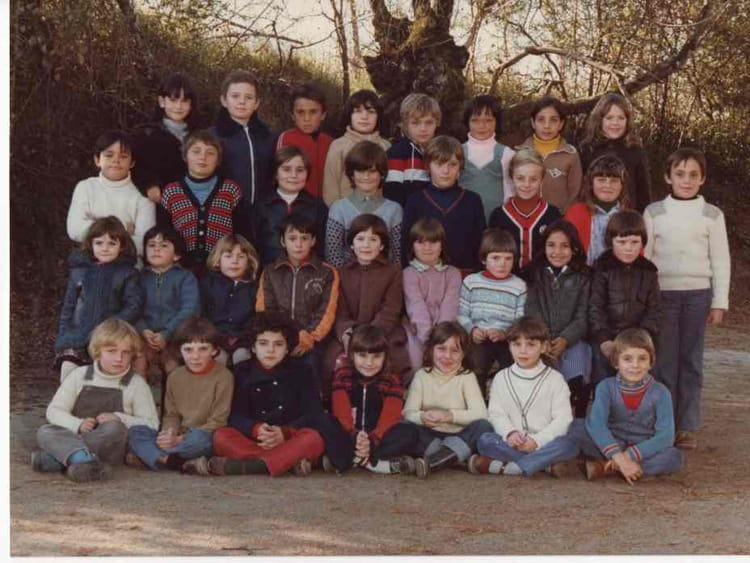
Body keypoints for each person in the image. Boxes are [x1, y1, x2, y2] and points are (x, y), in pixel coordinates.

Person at [644, 148, 731, 450]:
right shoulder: (654, 212)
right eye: (680, 174)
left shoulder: (712, 215)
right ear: (668, 177)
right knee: (664, 361)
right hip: (663, 295)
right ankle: (664, 424)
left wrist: (719, 301)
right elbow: (645, 259)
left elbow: (721, 260)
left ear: (703, 179)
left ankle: (687, 426)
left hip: (697, 295)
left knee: (691, 361)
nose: (687, 180)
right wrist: (645, 298)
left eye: (694, 175)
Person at [209, 312, 354, 476]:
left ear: (287, 349)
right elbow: (234, 416)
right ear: (253, 348)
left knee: (313, 438)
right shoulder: (241, 372)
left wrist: (284, 433)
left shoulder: (302, 371)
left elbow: (314, 414)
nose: (270, 350)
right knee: (221, 436)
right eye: (263, 344)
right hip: (254, 440)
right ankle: (285, 462)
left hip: (291, 437)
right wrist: (255, 429)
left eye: (278, 344)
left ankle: (253, 466)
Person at [32, 319, 158, 482]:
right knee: (45, 431)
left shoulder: (136, 384)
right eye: (111, 351)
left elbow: (152, 424)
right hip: (77, 433)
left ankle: (61, 457)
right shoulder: (79, 375)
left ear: (132, 355)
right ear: (98, 351)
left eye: (126, 352)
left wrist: (120, 418)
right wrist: (77, 424)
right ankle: (83, 461)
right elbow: (54, 411)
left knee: (115, 428)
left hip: (110, 446)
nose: (119, 358)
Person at [469, 316, 580, 477]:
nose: (522, 351)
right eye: (517, 344)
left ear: (544, 347)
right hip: (512, 444)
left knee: (570, 444)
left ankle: (510, 467)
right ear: (509, 346)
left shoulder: (555, 379)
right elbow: (496, 414)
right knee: (485, 440)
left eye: (530, 345)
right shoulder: (501, 378)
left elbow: (563, 419)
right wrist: (510, 433)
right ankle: (542, 466)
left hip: (545, 443)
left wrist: (536, 441)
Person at [383, 322, 492, 479]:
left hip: (459, 435)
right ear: (431, 349)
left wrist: (450, 416)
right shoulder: (422, 375)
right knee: (405, 428)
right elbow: (408, 413)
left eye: (455, 351)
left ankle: (433, 462)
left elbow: (481, 413)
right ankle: (454, 457)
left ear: (463, 354)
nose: (447, 356)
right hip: (429, 437)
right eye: (441, 348)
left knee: (484, 426)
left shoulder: (466, 377)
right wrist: (422, 417)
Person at [127, 317, 233, 473]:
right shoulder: (175, 376)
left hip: (204, 435)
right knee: (137, 431)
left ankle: (152, 456)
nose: (195, 356)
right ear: (179, 351)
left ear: (214, 351)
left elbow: (218, 421)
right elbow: (171, 414)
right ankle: (170, 460)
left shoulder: (224, 376)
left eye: (203, 349)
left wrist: (179, 440)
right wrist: (167, 435)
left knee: (201, 440)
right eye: (188, 350)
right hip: (178, 436)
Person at [581, 328, 684, 482]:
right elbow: (597, 425)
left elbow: (665, 436)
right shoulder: (605, 387)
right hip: (612, 441)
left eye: (642, 359)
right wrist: (618, 455)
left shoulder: (661, 393)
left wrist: (629, 455)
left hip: (643, 448)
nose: (635, 365)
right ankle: (626, 467)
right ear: (616, 362)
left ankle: (605, 468)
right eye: (627, 359)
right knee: (577, 429)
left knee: (674, 457)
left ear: (651, 363)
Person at [324, 214, 410, 395]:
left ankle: (392, 398)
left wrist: (372, 335)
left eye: (373, 239)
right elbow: (340, 312)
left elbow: (391, 309)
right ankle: (337, 400)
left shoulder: (393, 271)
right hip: (351, 333)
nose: (366, 245)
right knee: (330, 359)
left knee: (396, 359)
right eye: (360, 238)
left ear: (382, 245)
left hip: (384, 331)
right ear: (351, 244)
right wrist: (348, 333)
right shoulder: (341, 272)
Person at [255, 213, 339, 391]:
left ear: (313, 241)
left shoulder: (327, 272)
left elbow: (326, 311)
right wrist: (284, 337)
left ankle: (314, 403)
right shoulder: (270, 271)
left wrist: (309, 337)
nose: (299, 244)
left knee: (310, 365)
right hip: (278, 337)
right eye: (292, 238)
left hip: (313, 340)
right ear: (283, 241)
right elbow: (265, 310)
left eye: (304, 238)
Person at [54, 216, 143, 381]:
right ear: (91, 244)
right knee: (68, 370)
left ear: (122, 246)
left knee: (101, 378)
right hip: (78, 337)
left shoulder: (127, 274)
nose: (105, 248)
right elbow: (68, 306)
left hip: (110, 339)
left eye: (112, 243)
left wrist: (110, 327)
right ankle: (68, 398)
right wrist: (64, 332)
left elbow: (133, 306)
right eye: (99, 243)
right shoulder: (79, 272)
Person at [524, 219, 592, 418]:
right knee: (545, 380)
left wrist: (565, 339)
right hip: (542, 340)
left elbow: (583, 316)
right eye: (551, 245)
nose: (557, 252)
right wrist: (543, 338)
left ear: (574, 248)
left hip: (572, 339)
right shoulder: (533, 275)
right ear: (543, 247)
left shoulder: (584, 277)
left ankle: (577, 416)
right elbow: (532, 309)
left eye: (564, 246)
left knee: (578, 370)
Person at [589, 210, 660, 385]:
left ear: (643, 242)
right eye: (621, 242)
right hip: (608, 339)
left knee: (638, 380)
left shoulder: (649, 271)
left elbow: (654, 310)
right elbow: (595, 307)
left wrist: (642, 338)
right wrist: (604, 339)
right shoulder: (602, 268)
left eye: (635, 242)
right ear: (610, 241)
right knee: (604, 381)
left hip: (638, 340)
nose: (628, 248)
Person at [159, 129, 245, 272]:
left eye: (210, 153)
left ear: (218, 160)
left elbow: (241, 233)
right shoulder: (171, 192)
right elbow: (164, 233)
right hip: (181, 269)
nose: (203, 157)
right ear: (185, 156)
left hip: (222, 268)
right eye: (196, 151)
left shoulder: (230, 190)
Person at [402, 135, 486, 272]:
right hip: (424, 275)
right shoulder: (415, 200)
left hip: (465, 275)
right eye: (439, 164)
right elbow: (406, 244)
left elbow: (481, 245)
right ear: (428, 166)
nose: (446, 171)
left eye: (452, 164)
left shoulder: (472, 200)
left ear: (460, 167)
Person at [329, 324, 407, 473]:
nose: (369, 363)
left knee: (408, 431)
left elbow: (390, 417)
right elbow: (341, 413)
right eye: (362, 355)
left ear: (385, 357)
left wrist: (372, 441)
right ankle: (375, 463)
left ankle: (359, 460)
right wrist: (355, 436)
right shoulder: (343, 376)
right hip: (350, 435)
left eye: (376, 356)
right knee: (328, 423)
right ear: (352, 355)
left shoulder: (392, 381)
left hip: (379, 438)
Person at [66, 130, 156, 256]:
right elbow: (74, 230)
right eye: (109, 155)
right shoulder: (86, 187)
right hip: (88, 260)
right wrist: (124, 231)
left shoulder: (142, 196)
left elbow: (144, 244)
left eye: (123, 156)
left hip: (128, 264)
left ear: (132, 162)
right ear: (97, 160)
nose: (116, 160)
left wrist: (94, 227)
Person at [458, 228, 527, 393]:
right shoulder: (471, 282)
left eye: (508, 258)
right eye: (496, 258)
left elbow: (520, 318)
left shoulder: (518, 286)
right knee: (476, 368)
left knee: (511, 369)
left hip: (506, 339)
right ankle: (478, 402)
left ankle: (503, 400)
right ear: (484, 259)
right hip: (478, 338)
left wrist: (505, 333)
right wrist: (472, 330)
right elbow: (461, 313)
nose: (502, 264)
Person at [134, 226, 200, 379]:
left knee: (172, 365)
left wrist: (166, 334)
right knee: (138, 361)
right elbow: (133, 307)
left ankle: (174, 394)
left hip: (176, 337)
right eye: (151, 245)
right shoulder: (138, 278)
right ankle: (139, 394)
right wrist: (143, 330)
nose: (156, 249)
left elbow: (190, 309)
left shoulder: (185, 277)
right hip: (145, 336)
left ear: (176, 255)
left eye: (163, 245)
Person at [325, 141, 403, 268]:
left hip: (385, 276)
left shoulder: (394, 210)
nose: (366, 177)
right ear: (352, 174)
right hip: (347, 276)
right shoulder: (339, 208)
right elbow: (333, 256)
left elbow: (397, 256)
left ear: (382, 174)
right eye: (360, 171)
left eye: (372, 171)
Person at [402, 218, 461, 378]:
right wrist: (428, 338)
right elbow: (416, 306)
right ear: (412, 246)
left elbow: (450, 306)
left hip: (447, 328)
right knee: (416, 362)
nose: (427, 248)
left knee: (450, 358)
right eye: (421, 242)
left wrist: (441, 337)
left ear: (442, 245)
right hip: (417, 330)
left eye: (433, 242)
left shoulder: (453, 273)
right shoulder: (409, 273)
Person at [212, 69, 276, 215]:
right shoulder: (212, 137)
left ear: (256, 103)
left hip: (262, 214)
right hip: (224, 214)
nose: (242, 102)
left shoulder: (268, 136)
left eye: (248, 97)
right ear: (224, 100)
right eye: (235, 96)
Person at [251, 145, 328, 266]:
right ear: (276, 173)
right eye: (286, 169)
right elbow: (253, 247)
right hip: (270, 271)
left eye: (300, 170)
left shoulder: (317, 207)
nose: (293, 175)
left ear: (307, 173)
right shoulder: (261, 206)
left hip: (308, 272)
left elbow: (322, 248)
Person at [131, 72, 200, 203]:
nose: (178, 106)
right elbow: (135, 167)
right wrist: (150, 184)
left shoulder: (200, 136)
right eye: (173, 100)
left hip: (194, 204)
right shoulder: (145, 135)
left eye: (184, 101)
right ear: (162, 101)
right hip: (157, 204)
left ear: (191, 104)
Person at [489, 148, 561, 269]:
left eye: (533, 179)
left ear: (542, 180)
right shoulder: (499, 215)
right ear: (511, 178)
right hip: (508, 278)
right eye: (520, 178)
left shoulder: (553, 214)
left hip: (543, 279)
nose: (527, 185)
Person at [579, 92, 651, 213]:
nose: (615, 123)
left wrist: (641, 218)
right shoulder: (587, 149)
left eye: (621, 118)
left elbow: (643, 192)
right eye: (609, 118)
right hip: (592, 215)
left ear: (628, 121)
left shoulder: (635, 151)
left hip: (625, 217)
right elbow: (579, 188)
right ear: (599, 120)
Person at [322, 89, 391, 205]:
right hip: (346, 213)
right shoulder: (339, 146)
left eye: (371, 112)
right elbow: (330, 186)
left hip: (380, 213)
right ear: (349, 115)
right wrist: (337, 211)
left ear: (378, 116)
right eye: (358, 111)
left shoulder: (386, 146)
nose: (364, 117)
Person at [200, 234, 259, 366]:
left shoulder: (254, 288)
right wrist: (214, 338)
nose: (234, 261)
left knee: (242, 356)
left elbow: (255, 319)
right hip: (214, 339)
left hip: (243, 341)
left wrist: (242, 338)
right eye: (228, 256)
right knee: (217, 357)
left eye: (241, 257)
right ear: (218, 260)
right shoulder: (208, 284)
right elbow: (203, 316)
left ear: (249, 262)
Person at [516, 95, 582, 211]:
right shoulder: (519, 153)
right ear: (533, 123)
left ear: (561, 124)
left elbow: (575, 193)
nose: (547, 126)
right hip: (526, 216)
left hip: (559, 218)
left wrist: (566, 216)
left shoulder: (570, 154)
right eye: (541, 120)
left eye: (553, 120)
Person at [564, 154, 629, 266]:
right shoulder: (575, 213)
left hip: (618, 274)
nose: (607, 185)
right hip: (583, 273)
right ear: (591, 183)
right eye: (601, 180)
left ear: (622, 185)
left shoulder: (629, 217)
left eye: (614, 181)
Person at [459, 94, 515, 222]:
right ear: (467, 122)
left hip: (495, 222)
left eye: (488, 120)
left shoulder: (506, 154)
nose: (482, 126)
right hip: (464, 220)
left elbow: (510, 191)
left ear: (497, 122)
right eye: (475, 120)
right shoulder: (457, 152)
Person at [383, 93, 440, 207]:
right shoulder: (397, 153)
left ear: (437, 123)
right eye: (415, 123)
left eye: (429, 122)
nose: (423, 128)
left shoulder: (440, 152)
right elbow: (392, 195)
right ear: (405, 124)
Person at [276, 82, 332, 198]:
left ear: (323, 115)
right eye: (300, 112)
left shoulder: (330, 143)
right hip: (295, 203)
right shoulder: (286, 139)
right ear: (292, 115)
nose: (307, 119)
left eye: (313, 112)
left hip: (324, 205)